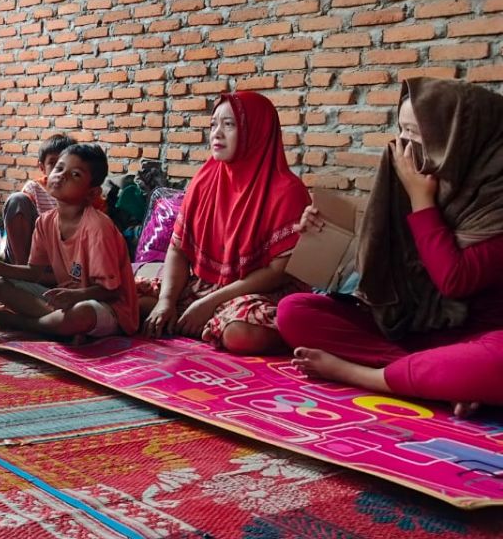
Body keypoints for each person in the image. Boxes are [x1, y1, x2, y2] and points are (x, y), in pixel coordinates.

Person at [279, 79, 503, 416]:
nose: (404, 146)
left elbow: (454, 279)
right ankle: (438, 382)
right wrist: (325, 230)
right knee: (294, 311)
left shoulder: (491, 203)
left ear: (459, 139)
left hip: (479, 339)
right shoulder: (414, 175)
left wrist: (421, 200)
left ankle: (366, 375)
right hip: (411, 329)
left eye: (417, 134)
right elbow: (380, 254)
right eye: (402, 131)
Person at [141, 91, 311, 354]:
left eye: (229, 124)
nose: (217, 133)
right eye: (213, 124)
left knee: (240, 334)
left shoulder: (286, 190)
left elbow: (279, 273)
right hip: (204, 285)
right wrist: (166, 300)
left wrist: (209, 303)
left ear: (256, 131)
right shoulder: (204, 180)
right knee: (134, 299)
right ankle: (200, 322)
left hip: (257, 293)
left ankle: (210, 322)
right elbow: (178, 249)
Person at [0, 144, 137, 339]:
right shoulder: (45, 222)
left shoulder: (97, 228)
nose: (61, 175)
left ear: (92, 193)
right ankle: (61, 327)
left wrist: (76, 296)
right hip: (69, 300)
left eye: (75, 174)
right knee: (1, 285)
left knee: (81, 313)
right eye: (59, 168)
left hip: (108, 310)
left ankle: (26, 324)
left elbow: (112, 292)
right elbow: (34, 273)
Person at [2, 133, 74, 264]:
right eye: (53, 163)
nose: (60, 171)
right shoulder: (34, 188)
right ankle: (22, 269)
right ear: (42, 167)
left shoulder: (79, 192)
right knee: (16, 200)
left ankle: (46, 277)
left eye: (66, 164)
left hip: (62, 259)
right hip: (29, 255)